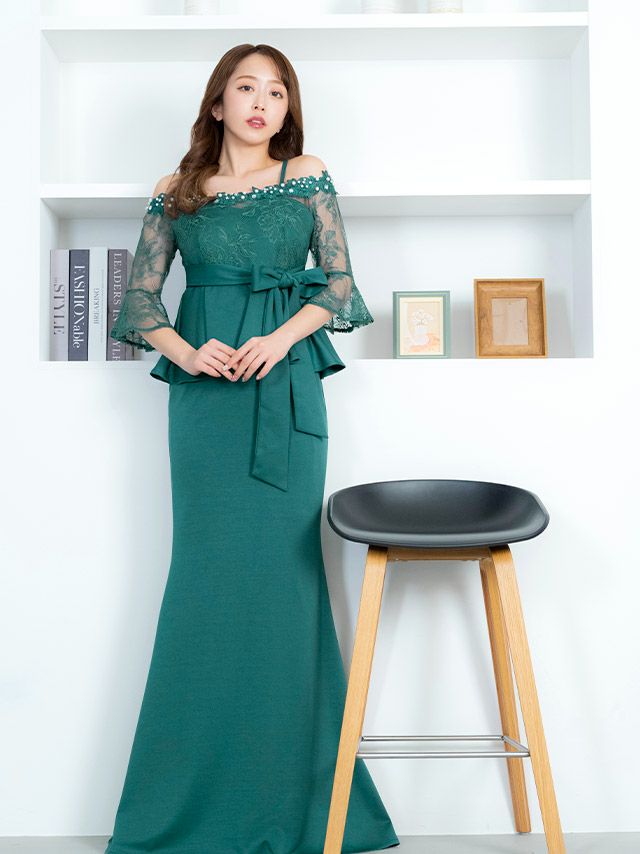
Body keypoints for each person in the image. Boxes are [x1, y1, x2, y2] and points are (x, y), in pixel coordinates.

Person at [105, 42, 399, 854]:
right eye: (246, 87)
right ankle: (188, 808)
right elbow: (137, 301)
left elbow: (339, 285)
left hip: (286, 388)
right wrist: (187, 349)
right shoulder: (177, 189)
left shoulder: (306, 174)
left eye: (277, 91)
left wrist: (279, 337)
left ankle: (301, 811)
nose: (263, 102)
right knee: (204, 585)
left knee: (286, 587)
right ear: (217, 103)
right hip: (205, 404)